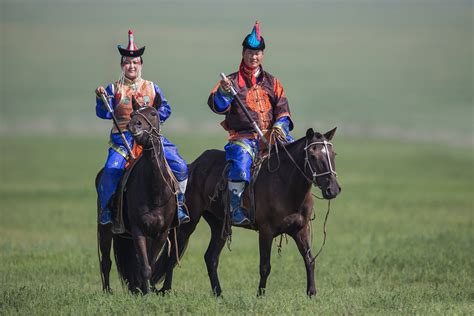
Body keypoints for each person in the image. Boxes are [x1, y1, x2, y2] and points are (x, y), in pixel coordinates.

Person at [95, 30, 190, 226]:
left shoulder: (152, 87)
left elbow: (166, 108)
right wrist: (101, 99)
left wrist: (153, 119)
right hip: (123, 141)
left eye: (135, 62)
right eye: (128, 62)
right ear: (122, 65)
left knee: (180, 166)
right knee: (111, 171)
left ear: (141, 65)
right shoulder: (113, 89)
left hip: (152, 139)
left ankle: (179, 205)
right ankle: (108, 210)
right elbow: (104, 113)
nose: (132, 66)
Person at [207, 21, 294, 226]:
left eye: (257, 53)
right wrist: (224, 92)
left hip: (272, 136)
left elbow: (283, 110)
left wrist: (279, 127)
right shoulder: (230, 81)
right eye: (249, 52)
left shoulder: (273, 82)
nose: (253, 57)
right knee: (241, 163)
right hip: (243, 138)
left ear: (262, 55)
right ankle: (235, 207)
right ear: (243, 53)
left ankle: (292, 203)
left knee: (296, 156)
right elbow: (216, 106)